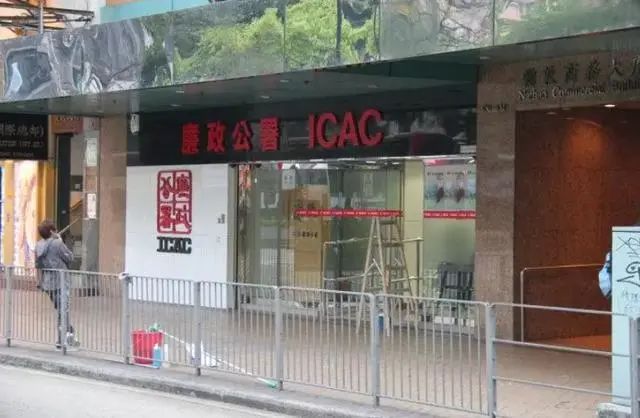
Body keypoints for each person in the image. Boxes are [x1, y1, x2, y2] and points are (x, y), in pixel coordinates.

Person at [35, 220, 78, 349]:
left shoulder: (38, 245)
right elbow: (70, 257)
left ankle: (67, 334)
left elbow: (38, 264)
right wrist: (60, 240)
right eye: (54, 229)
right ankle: (63, 338)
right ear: (52, 231)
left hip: (48, 283)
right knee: (63, 311)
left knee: (61, 310)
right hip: (61, 282)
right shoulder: (57, 243)